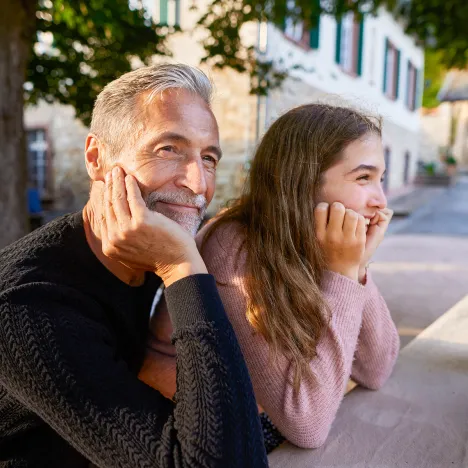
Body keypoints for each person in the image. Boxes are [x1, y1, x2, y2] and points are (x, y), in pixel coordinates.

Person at [0, 64, 268, 467]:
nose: (199, 184)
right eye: (168, 149)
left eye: (209, 157)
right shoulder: (27, 305)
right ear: (96, 157)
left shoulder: (144, 254)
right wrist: (181, 266)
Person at [145, 103, 400, 451]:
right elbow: (307, 425)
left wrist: (356, 268)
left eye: (380, 179)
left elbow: (376, 369)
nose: (381, 201)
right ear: (303, 183)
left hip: (257, 424)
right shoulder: (234, 249)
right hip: (189, 440)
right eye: (363, 178)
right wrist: (342, 273)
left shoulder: (307, 241)